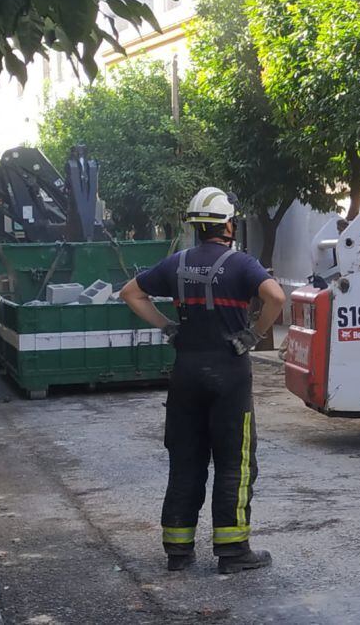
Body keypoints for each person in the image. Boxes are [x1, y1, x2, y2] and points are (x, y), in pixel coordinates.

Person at [121, 188, 285, 573]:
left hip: (186, 374)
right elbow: (276, 297)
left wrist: (168, 327)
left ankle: (178, 552)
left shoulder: (175, 264)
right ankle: (232, 552)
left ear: (197, 226)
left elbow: (131, 293)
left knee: (186, 461)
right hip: (229, 374)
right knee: (234, 464)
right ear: (227, 225)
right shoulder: (242, 264)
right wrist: (254, 335)